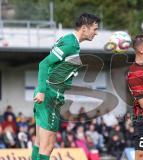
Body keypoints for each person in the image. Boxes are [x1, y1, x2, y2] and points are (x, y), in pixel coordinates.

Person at [31, 13, 100, 160]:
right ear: (84, 28)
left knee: (39, 142)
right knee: (47, 146)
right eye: (94, 29)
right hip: (49, 95)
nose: (96, 32)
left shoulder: (70, 41)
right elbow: (43, 64)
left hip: (51, 94)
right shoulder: (70, 44)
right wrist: (42, 91)